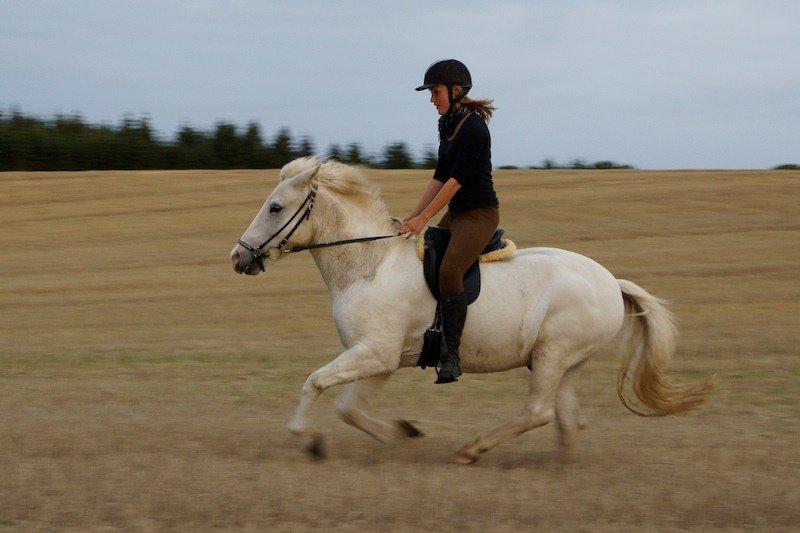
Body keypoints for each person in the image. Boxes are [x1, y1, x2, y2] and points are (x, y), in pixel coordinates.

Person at [400, 59, 500, 384]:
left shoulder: (473, 127)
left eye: (435, 92)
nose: (432, 99)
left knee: (449, 270)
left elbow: (455, 181)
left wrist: (426, 217)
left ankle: (451, 354)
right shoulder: (447, 125)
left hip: (479, 215)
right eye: (431, 93)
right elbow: (438, 177)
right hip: (455, 215)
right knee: (425, 255)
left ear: (456, 92)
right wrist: (414, 217)